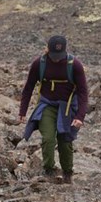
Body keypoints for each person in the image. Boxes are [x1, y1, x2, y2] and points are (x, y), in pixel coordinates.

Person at [18, 35, 89, 184]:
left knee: (65, 141)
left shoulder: (74, 65)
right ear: (47, 50)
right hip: (47, 105)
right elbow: (29, 87)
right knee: (48, 139)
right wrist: (22, 111)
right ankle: (49, 170)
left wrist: (80, 117)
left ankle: (67, 173)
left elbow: (83, 92)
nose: (56, 59)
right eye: (53, 55)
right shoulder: (39, 64)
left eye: (59, 55)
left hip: (67, 107)